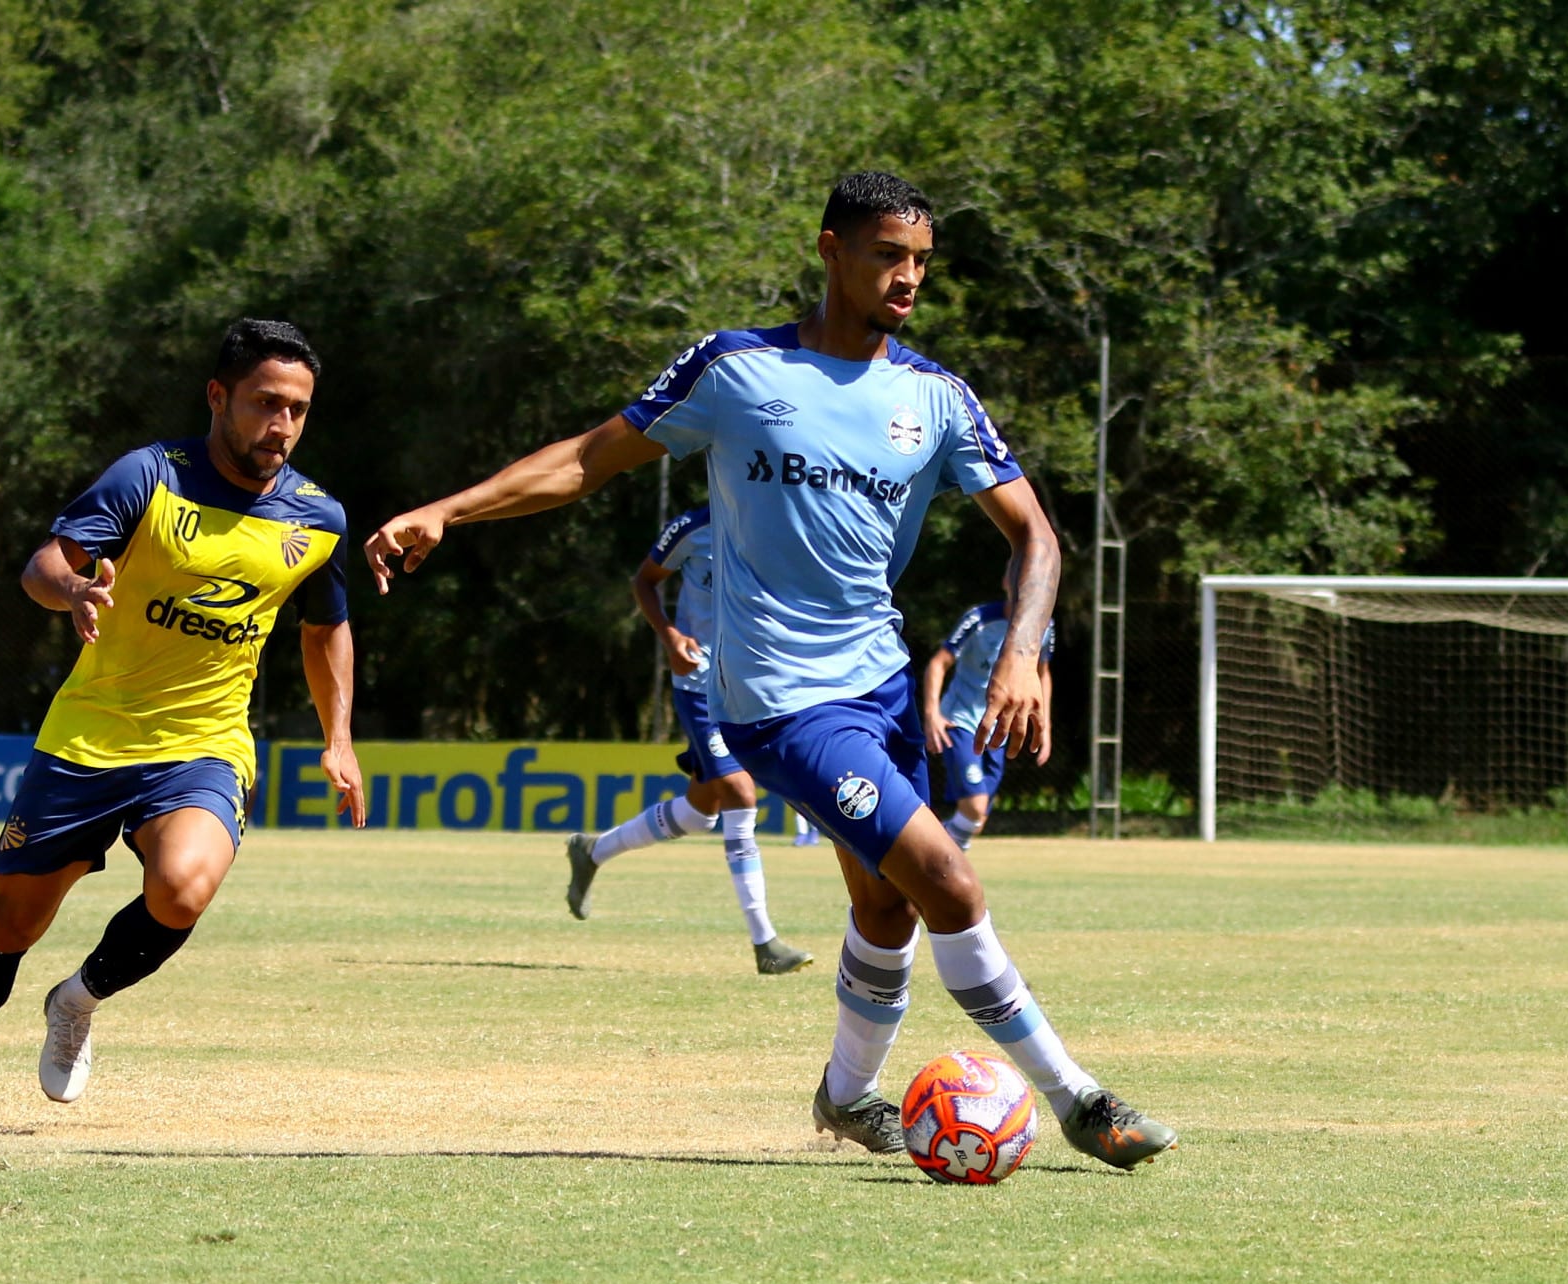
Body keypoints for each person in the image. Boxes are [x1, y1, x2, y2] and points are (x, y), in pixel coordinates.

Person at [363, 171, 1175, 1171]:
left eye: (920, 260)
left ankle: (842, 1097)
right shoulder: (736, 369)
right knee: (945, 884)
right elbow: (586, 457)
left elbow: (1036, 540)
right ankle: (1078, 1099)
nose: (907, 277)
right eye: (886, 254)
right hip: (779, 703)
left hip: (876, 686)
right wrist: (450, 509)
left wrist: (1021, 653)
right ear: (830, 250)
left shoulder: (935, 397)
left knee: (880, 906)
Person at [0, 318, 366, 1132]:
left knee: (183, 888)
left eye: (296, 409)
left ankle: (76, 1000)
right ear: (219, 397)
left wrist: (339, 739)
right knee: (11, 919)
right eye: (264, 403)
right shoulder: (150, 476)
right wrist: (74, 591)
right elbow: (46, 564)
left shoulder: (319, 518)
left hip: (204, 744)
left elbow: (325, 628)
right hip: (90, 735)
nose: (280, 425)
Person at [565, 504, 814, 975]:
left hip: (754, 689)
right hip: (700, 688)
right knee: (741, 792)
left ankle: (591, 851)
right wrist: (671, 635)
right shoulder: (692, 528)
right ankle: (766, 943)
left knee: (700, 814)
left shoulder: (782, 523)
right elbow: (644, 580)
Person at [922, 598, 1055, 850]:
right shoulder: (980, 619)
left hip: (998, 730)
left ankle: (925, 858)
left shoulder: (1043, 625)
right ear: (1008, 581)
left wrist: (1044, 725)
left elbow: (1042, 673)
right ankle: (926, 862)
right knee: (975, 805)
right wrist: (932, 714)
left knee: (976, 820)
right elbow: (938, 664)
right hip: (960, 722)